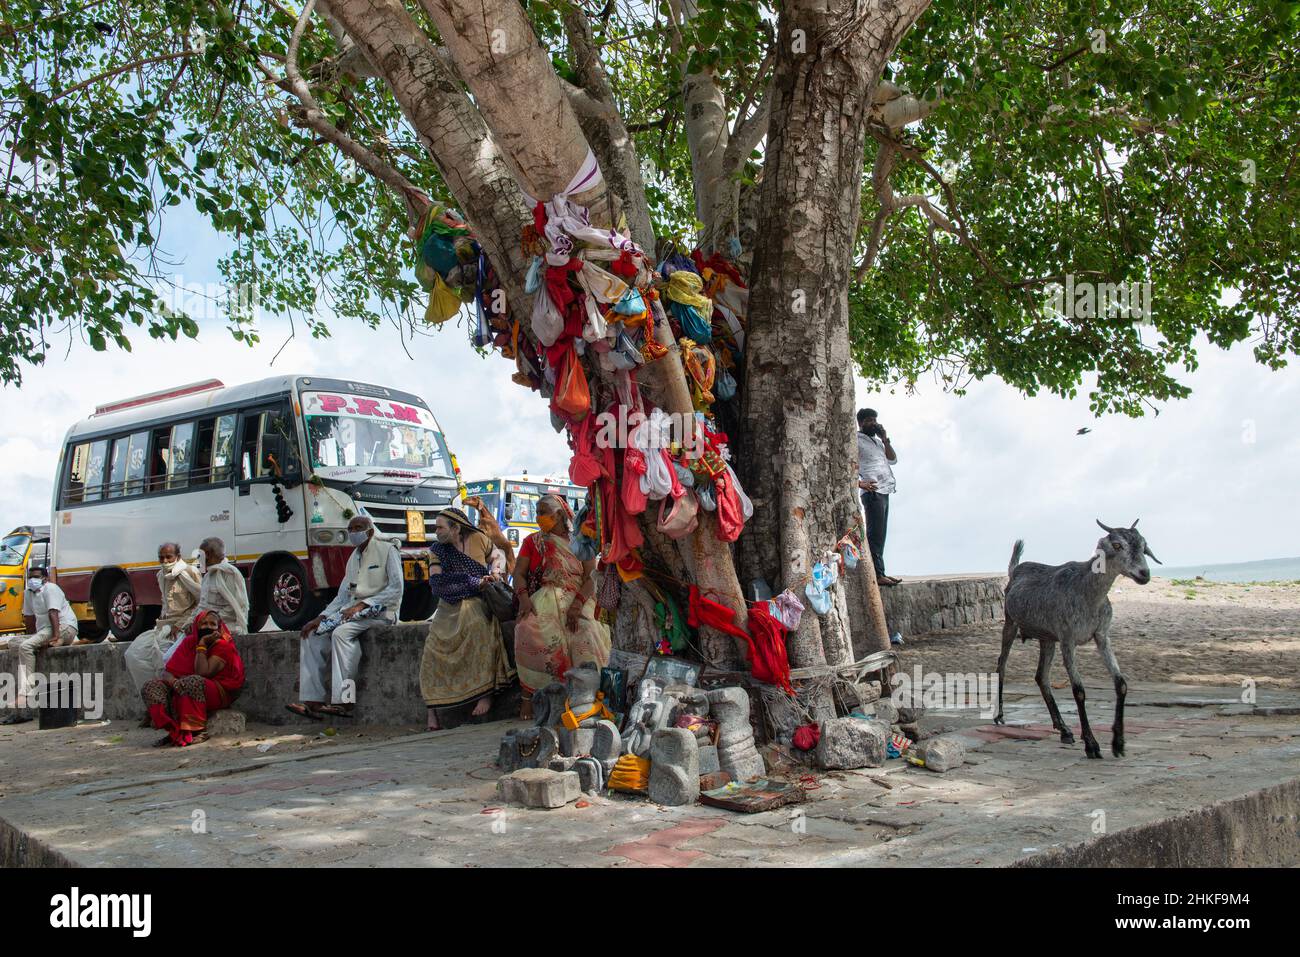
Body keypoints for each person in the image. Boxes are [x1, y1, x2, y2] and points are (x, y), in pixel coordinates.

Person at [287, 514, 401, 719]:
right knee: (311, 635)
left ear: (370, 531)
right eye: (350, 529)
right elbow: (342, 597)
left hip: (382, 612)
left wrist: (362, 605)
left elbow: (396, 588)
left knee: (341, 633)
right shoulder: (353, 558)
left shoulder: (388, 550)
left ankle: (345, 700)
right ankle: (313, 700)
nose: (353, 533)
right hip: (352, 612)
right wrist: (320, 618)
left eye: (358, 528)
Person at [511, 494, 611, 717]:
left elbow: (590, 577)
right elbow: (518, 573)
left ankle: (591, 695)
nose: (538, 517)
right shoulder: (533, 542)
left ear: (558, 515)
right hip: (545, 595)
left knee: (585, 632)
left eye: (543, 512)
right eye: (536, 512)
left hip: (579, 596)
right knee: (527, 629)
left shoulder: (581, 540)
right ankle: (529, 696)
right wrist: (524, 598)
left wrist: (577, 606)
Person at [420, 507, 515, 731]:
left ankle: (485, 694)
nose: (437, 532)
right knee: (431, 649)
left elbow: (497, 556)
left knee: (479, 629)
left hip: (478, 601)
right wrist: (472, 581)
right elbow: (437, 582)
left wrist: (495, 571)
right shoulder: (437, 550)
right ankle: (432, 711)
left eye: (440, 527)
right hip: (449, 604)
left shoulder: (479, 539)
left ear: (456, 528)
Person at [140, 611, 245, 747]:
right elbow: (167, 672)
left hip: (219, 691)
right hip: (184, 686)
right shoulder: (189, 642)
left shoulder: (222, 646)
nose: (208, 627)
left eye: (212, 624)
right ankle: (174, 731)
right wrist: (174, 682)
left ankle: (198, 730)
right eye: (204, 623)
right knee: (151, 686)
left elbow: (203, 672)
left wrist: (202, 645)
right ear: (197, 626)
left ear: (218, 628)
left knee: (192, 681)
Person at [123, 543, 202, 711]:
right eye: (161, 557)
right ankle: (153, 705)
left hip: (182, 628)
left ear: (178, 556)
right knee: (133, 655)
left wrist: (182, 624)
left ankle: (167, 707)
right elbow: (166, 605)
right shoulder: (161, 575)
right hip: (163, 627)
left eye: (169, 557)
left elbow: (201, 602)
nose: (165, 561)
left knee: (163, 660)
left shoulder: (189, 572)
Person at [0, 567, 79, 725]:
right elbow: (29, 619)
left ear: (45, 577)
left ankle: (25, 695)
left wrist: (56, 636)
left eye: (36, 576)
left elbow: (53, 613)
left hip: (63, 627)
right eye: (30, 577)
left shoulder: (50, 588)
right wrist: (31, 638)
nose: (32, 580)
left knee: (25, 648)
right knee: (14, 643)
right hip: (45, 631)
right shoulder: (29, 592)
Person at [857, 407, 902, 586]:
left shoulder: (878, 442)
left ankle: (880, 572)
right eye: (868, 420)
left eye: (874, 420)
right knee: (874, 535)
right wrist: (860, 483)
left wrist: (884, 438)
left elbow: (893, 459)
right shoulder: (855, 440)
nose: (872, 423)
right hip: (872, 492)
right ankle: (877, 574)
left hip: (885, 490)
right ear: (860, 423)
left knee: (881, 534)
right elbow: (847, 464)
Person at [190, 537, 250, 635]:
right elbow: (202, 605)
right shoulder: (208, 576)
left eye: (199, 555)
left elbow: (233, 608)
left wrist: (209, 620)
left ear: (208, 554)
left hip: (225, 628)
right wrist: (191, 622)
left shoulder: (229, 573)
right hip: (205, 625)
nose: (198, 559)